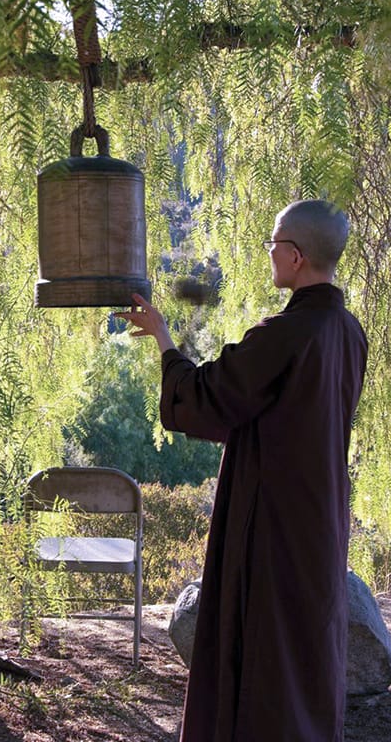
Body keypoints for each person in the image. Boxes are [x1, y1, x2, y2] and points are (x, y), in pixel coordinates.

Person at [115, 199, 368, 741]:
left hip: (273, 519)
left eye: (274, 244)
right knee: (305, 647)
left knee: (262, 650)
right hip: (320, 517)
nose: (269, 253)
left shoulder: (286, 333)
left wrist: (164, 338)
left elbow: (209, 396)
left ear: (296, 256)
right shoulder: (348, 331)